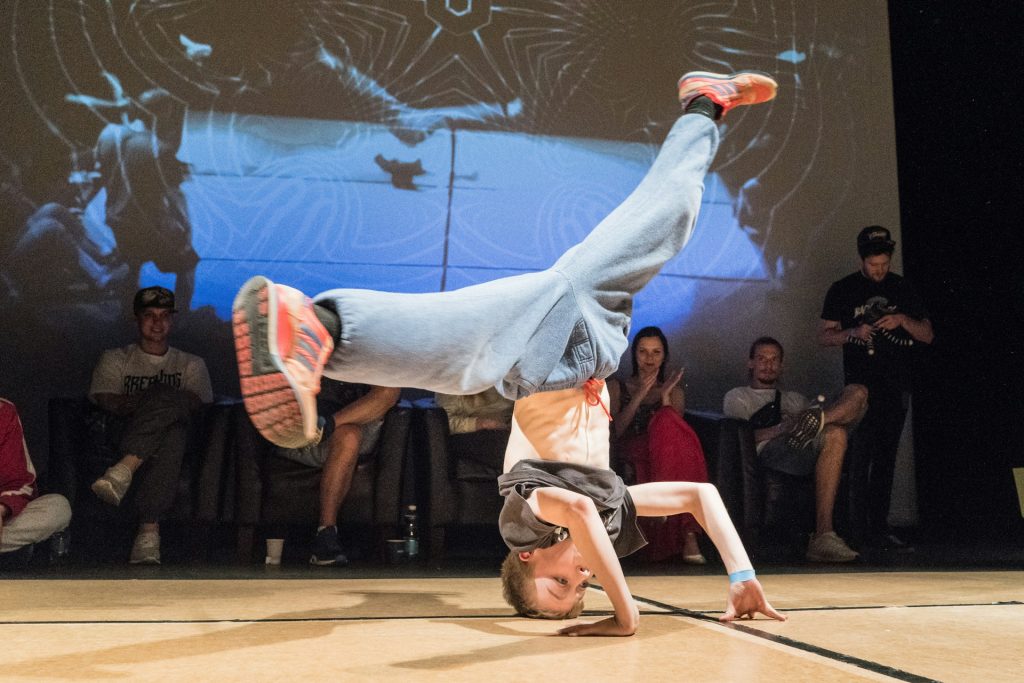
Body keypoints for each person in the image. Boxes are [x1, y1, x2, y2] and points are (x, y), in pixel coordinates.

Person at [233, 70, 784, 634]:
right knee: (671, 218)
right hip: (589, 334)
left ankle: (317, 329)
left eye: (560, 583)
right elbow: (700, 496)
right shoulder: (610, 500)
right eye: (583, 590)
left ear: (527, 555)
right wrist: (741, 574)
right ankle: (704, 103)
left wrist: (625, 615)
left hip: (551, 350)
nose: (581, 577)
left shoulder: (534, 509)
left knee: (465, 354)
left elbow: (581, 516)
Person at [819, 226, 933, 550]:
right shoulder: (843, 289)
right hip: (859, 389)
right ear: (862, 260)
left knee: (886, 458)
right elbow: (824, 336)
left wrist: (901, 321)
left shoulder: (902, 288)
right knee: (858, 455)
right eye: (873, 264)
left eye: (883, 264)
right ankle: (852, 530)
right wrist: (853, 332)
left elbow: (927, 334)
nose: (879, 270)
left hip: (896, 385)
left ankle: (879, 529)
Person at [88, 286, 213, 563]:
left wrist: (153, 400)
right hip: (125, 431)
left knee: (176, 430)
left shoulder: (191, 364)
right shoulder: (115, 358)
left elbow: (196, 403)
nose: (158, 323)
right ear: (136, 318)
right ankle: (149, 533)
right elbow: (109, 401)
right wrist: (156, 399)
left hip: (179, 440)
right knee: (171, 422)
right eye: (150, 315)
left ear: (172, 320)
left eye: (164, 315)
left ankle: (124, 469)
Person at [723, 337, 867, 562]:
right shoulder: (738, 396)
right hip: (771, 451)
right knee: (834, 431)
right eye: (762, 359)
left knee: (857, 394)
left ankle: (823, 537)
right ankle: (817, 422)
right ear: (750, 363)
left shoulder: (795, 399)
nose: (768, 365)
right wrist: (785, 427)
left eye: (774, 360)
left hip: (804, 449)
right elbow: (740, 439)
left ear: (781, 365)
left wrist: (808, 421)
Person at [607, 326, 709, 564]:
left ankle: (682, 526)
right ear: (634, 355)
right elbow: (615, 432)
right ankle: (688, 534)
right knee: (669, 432)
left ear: (664, 356)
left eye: (656, 352)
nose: (649, 359)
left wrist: (664, 399)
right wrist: (641, 394)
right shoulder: (616, 387)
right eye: (643, 352)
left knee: (668, 423)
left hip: (662, 453)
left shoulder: (673, 391)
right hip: (631, 447)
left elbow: (675, 438)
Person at [94, 88, 199, 311]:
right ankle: (181, 318)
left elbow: (102, 168)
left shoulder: (108, 133)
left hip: (116, 219)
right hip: (150, 226)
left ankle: (125, 315)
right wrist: (186, 229)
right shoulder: (159, 150)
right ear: (164, 114)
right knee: (188, 263)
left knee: (132, 265)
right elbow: (175, 197)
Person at [276, 378, 399, 566]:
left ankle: (326, 426)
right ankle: (326, 532)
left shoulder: (371, 350)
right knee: (348, 436)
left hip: (355, 424)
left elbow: (386, 396)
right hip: (306, 434)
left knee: (389, 388)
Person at [0, 398, 72, 567]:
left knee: (58, 506)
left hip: (3, 518)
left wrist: (2, 509)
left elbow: (20, 482)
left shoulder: (3, 410)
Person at [434, 387, 514, 435]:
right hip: (509, 418)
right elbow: (446, 424)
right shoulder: (445, 397)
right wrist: (484, 423)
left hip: (513, 393)